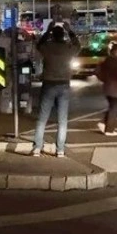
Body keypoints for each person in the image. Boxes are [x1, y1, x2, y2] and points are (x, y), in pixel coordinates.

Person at [32, 22, 81, 158]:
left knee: (42, 118)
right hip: (64, 84)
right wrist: (70, 31)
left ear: (52, 35)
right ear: (63, 35)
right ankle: (60, 150)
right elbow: (78, 46)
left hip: (48, 84)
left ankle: (37, 148)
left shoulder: (47, 47)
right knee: (62, 120)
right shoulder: (68, 48)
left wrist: (47, 30)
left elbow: (39, 45)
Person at [95, 43, 117, 137]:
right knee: (114, 108)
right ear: (116, 51)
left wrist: (104, 79)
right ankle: (109, 130)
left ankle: (103, 123)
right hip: (114, 88)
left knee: (112, 107)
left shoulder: (107, 60)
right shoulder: (116, 61)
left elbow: (97, 71)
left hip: (107, 87)